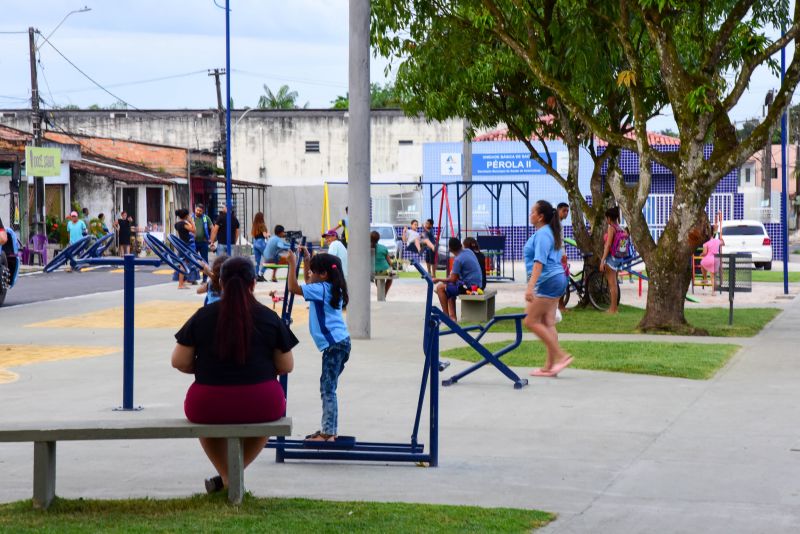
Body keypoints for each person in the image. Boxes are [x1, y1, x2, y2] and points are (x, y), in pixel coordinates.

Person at [172, 256, 296, 493]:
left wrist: (201, 369)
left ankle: (227, 478)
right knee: (272, 418)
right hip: (261, 403)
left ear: (220, 281)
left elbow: (178, 360)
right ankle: (230, 478)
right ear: (253, 284)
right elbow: (286, 365)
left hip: (208, 403)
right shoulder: (269, 318)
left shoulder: (203, 315)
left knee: (206, 424)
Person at [286, 250, 350, 442]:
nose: (310, 275)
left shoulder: (322, 288)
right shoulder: (331, 287)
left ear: (323, 274)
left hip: (334, 345)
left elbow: (294, 287)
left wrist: (292, 263)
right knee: (329, 387)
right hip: (341, 343)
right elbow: (307, 283)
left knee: (327, 389)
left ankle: (328, 432)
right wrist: (307, 260)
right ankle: (330, 430)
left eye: (313, 272)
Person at [524, 200, 571, 378]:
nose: (530, 215)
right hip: (557, 279)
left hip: (548, 281)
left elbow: (539, 263)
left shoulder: (543, 234)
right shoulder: (550, 232)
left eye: (532, 212)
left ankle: (561, 356)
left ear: (540, 216)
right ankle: (549, 367)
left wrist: (530, 288)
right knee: (548, 323)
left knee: (530, 321)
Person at [432, 237, 483, 321]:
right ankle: (453, 317)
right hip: (478, 284)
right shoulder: (468, 251)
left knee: (440, 288)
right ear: (460, 245)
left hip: (471, 288)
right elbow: (458, 276)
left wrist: (438, 279)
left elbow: (453, 279)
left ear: (450, 249)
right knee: (449, 288)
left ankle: (445, 316)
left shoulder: (458, 259)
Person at [599, 206, 625, 314]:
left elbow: (608, 245)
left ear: (609, 218)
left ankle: (613, 309)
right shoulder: (620, 227)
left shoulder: (611, 228)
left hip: (611, 259)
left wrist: (602, 260)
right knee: (614, 283)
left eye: (606, 218)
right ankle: (614, 308)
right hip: (619, 258)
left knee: (612, 284)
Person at [174, 208, 199, 289]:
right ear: (186, 216)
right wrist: (191, 221)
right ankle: (181, 284)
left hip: (181, 244)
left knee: (183, 263)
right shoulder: (184, 223)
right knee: (185, 263)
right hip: (187, 245)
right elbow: (194, 230)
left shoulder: (177, 224)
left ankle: (182, 282)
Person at [193, 204, 213, 282]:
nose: (198, 212)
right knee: (193, 260)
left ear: (203, 211)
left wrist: (211, 239)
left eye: (200, 211)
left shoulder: (206, 218)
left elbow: (212, 228)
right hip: (193, 243)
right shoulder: (191, 218)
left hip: (203, 243)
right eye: (197, 210)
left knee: (204, 261)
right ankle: (193, 279)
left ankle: (204, 279)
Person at [700, 228, 723, 296]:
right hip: (716, 259)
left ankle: (705, 279)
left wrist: (701, 254)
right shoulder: (717, 241)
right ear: (713, 235)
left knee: (702, 263)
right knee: (713, 276)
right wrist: (721, 239)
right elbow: (723, 243)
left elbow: (704, 253)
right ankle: (713, 292)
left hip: (709, 259)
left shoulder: (705, 243)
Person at [371, 230, 393, 297]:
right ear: (378, 239)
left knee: (377, 278)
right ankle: (384, 294)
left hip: (373, 271)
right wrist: (392, 266)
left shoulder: (366, 248)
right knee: (390, 277)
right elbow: (390, 263)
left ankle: (382, 293)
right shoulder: (383, 248)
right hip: (385, 270)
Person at [251, 212, 271, 282]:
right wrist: (269, 234)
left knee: (257, 261)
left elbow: (253, 235)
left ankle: (256, 276)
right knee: (269, 258)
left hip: (255, 242)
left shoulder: (254, 226)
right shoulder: (262, 225)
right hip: (261, 242)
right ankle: (261, 274)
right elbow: (265, 235)